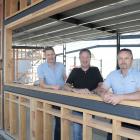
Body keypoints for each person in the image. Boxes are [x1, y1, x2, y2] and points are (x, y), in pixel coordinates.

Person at [97, 48, 140, 140]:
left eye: (126, 58)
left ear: (132, 60)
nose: (123, 61)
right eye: (120, 58)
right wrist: (103, 94)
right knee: (111, 137)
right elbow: (101, 88)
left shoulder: (138, 75)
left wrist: (121, 97)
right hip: (116, 112)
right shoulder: (112, 75)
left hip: (135, 114)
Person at [64, 48, 103, 140]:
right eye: (82, 57)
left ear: (90, 58)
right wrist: (76, 90)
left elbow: (101, 85)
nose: (85, 59)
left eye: (87, 57)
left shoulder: (95, 70)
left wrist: (93, 91)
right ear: (79, 58)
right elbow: (65, 86)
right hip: (77, 106)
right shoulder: (75, 71)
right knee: (76, 130)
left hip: (91, 106)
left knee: (87, 131)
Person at [37, 47, 67, 140]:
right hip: (50, 97)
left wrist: (72, 88)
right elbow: (41, 84)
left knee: (62, 120)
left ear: (55, 54)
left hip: (63, 95)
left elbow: (66, 79)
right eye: (48, 55)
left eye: (52, 54)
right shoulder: (41, 67)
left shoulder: (61, 65)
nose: (51, 56)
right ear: (45, 56)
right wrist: (52, 87)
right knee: (54, 120)